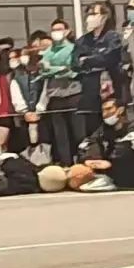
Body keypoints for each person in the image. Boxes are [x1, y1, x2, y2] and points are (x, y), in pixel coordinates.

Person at [73, 1, 124, 136]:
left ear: (104, 16)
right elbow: (75, 63)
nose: (89, 18)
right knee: (93, 131)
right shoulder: (82, 41)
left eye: (94, 14)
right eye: (88, 14)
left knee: (114, 129)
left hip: (111, 92)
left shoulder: (113, 37)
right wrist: (92, 60)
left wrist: (88, 60)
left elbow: (110, 57)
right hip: (90, 93)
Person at [39, 18, 83, 165]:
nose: (56, 33)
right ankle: (66, 164)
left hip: (74, 94)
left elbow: (73, 69)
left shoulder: (74, 48)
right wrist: (58, 69)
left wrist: (55, 70)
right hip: (55, 97)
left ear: (67, 31)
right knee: (60, 136)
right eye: (54, 30)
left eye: (59, 29)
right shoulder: (48, 51)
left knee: (79, 133)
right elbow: (43, 71)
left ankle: (84, 161)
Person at [77, 97, 134, 189]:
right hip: (112, 170)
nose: (105, 114)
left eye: (109, 109)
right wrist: (90, 158)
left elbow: (127, 146)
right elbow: (89, 142)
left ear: (120, 110)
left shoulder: (133, 125)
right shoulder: (104, 129)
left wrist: (110, 162)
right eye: (103, 110)